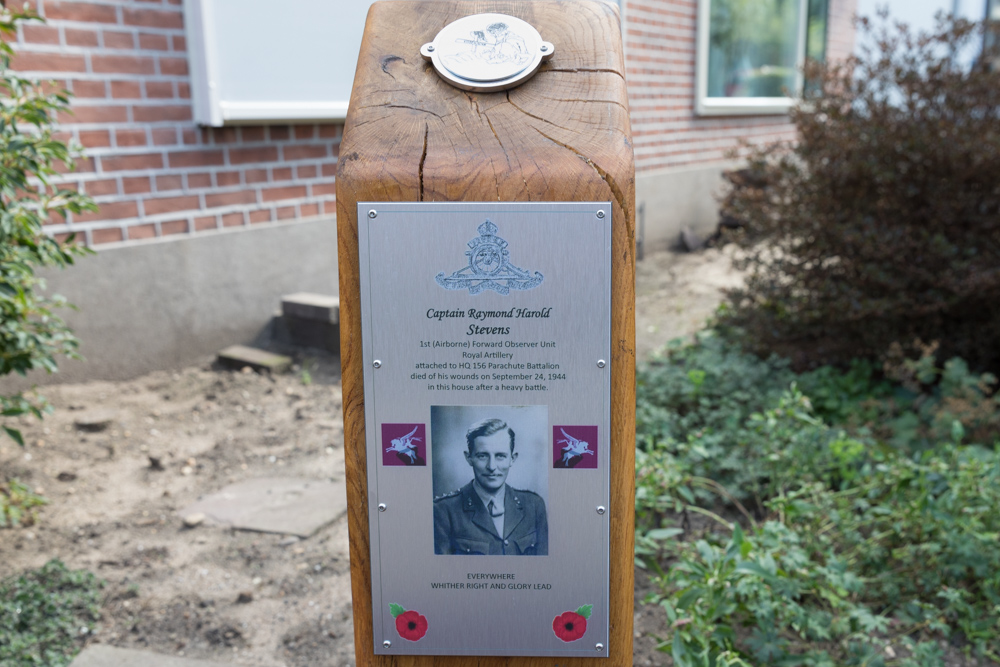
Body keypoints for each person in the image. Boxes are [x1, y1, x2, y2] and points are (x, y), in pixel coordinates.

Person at [433, 417, 547, 555]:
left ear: (512, 458)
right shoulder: (444, 511)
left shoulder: (533, 506)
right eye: (482, 456)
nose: (492, 467)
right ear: (469, 458)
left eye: (500, 456)